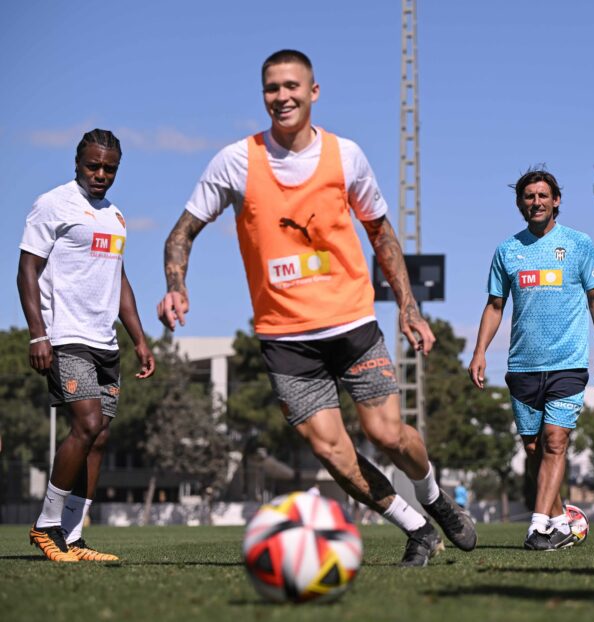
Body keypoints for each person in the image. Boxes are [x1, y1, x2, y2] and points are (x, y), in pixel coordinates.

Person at [157, 50, 475, 567]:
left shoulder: (346, 156)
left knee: (387, 434)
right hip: (285, 339)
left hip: (352, 323)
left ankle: (433, 496)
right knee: (333, 453)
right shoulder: (235, 161)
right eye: (271, 88)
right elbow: (182, 232)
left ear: (313, 92)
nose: (281, 97)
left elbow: (382, 234)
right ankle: (417, 530)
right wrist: (177, 285)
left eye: (291, 86)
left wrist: (409, 309)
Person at [19, 129, 156, 562]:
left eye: (109, 168)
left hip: (105, 341)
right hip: (65, 336)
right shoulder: (53, 203)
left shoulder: (114, 216)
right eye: (93, 165)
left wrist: (139, 339)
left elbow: (120, 280)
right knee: (86, 423)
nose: (100, 174)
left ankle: (74, 538)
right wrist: (38, 333)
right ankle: (45, 527)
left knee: (98, 437)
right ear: (77, 162)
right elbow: (27, 269)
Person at [469, 169, 594, 551]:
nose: (535, 202)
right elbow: (495, 305)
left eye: (542, 196)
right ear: (520, 203)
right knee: (534, 450)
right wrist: (480, 351)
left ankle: (538, 528)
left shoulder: (579, 245)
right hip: (521, 367)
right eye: (528, 197)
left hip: (568, 364)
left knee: (555, 441)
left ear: (556, 201)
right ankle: (559, 520)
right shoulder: (507, 251)